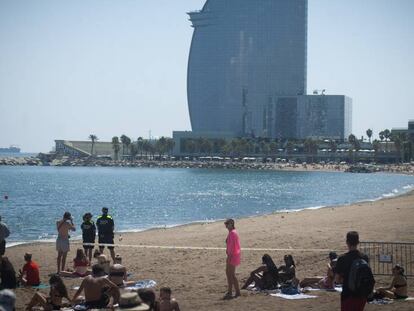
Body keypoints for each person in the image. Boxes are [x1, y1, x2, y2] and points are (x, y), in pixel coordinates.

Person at [335, 231, 370, 311]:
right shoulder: (364, 257)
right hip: (362, 294)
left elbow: (337, 279)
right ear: (358, 242)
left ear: (347, 242)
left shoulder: (342, 258)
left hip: (348, 294)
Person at [223, 218, 241, 299]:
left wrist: (229, 257)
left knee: (231, 274)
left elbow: (233, 247)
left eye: (227, 224)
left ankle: (237, 292)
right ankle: (230, 290)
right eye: (225, 224)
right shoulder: (231, 232)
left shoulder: (233, 233)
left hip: (233, 255)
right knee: (228, 273)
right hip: (232, 255)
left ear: (231, 224)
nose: (226, 225)